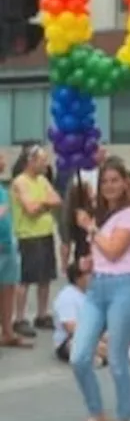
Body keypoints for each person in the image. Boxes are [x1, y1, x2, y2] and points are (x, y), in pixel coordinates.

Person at [70, 157, 130, 421]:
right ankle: (96, 411)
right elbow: (103, 252)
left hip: (124, 287)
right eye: (105, 181)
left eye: (115, 180)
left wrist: (91, 229)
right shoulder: (100, 216)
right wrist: (88, 261)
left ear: (125, 182)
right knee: (79, 356)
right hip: (97, 287)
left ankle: (124, 417)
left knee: (116, 358)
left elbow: (115, 250)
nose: (110, 186)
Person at [10, 146, 62, 339]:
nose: (45, 164)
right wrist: (45, 204)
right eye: (42, 160)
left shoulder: (42, 180)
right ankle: (20, 318)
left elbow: (57, 200)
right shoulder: (20, 182)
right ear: (31, 161)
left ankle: (41, 314)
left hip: (45, 233)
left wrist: (41, 204)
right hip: (28, 235)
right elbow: (30, 209)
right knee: (25, 279)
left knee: (45, 278)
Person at [0, 150, 31, 349]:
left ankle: (7, 332)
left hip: (8, 246)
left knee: (8, 288)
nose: (3, 161)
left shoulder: (3, 189)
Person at [53, 262, 98, 363]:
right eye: (89, 274)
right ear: (78, 278)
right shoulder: (67, 297)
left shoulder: (92, 293)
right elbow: (70, 327)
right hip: (69, 340)